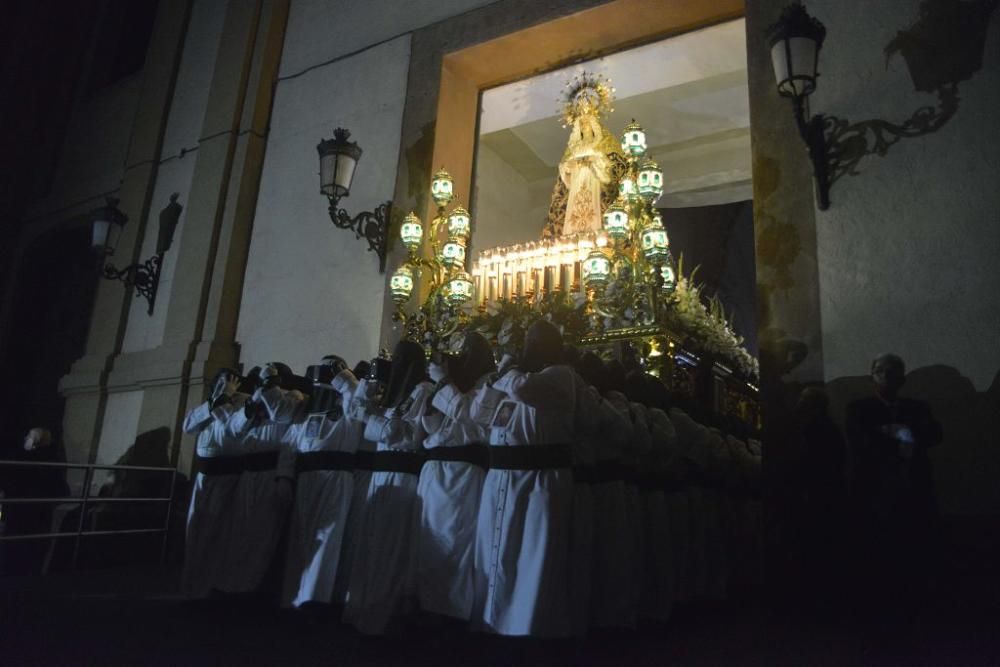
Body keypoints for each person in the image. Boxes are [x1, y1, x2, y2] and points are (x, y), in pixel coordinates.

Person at [472, 319, 596, 637]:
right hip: (501, 480)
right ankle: (493, 622)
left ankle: (531, 629)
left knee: (531, 559)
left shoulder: (561, 376)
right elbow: (479, 415)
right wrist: (497, 376)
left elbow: (523, 388)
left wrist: (506, 371)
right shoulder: (511, 379)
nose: (528, 345)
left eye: (534, 340)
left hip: (538, 482)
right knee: (495, 553)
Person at [344, 340, 432, 634]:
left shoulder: (421, 391)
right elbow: (357, 414)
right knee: (371, 541)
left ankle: (383, 616)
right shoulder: (392, 395)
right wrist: (369, 383)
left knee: (390, 547)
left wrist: (374, 419)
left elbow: (406, 435)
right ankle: (362, 608)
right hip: (380, 476)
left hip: (401, 477)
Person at [846, 353, 942, 609]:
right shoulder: (859, 409)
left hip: (913, 494)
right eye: (881, 370)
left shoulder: (917, 408)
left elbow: (934, 434)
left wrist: (897, 432)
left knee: (912, 556)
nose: (886, 376)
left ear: (903, 378)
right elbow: (863, 442)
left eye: (893, 371)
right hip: (874, 497)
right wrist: (903, 434)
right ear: (872, 376)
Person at [416, 332, 495, 622]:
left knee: (458, 542)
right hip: (436, 471)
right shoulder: (457, 384)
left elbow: (472, 419)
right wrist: (431, 400)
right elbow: (436, 427)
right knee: (429, 541)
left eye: (465, 350)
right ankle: (427, 607)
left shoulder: (489, 383)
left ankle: (454, 613)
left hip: (463, 474)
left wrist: (444, 385)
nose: (459, 356)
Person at [281, 356, 363, 609]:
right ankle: (293, 597)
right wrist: (283, 476)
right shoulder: (306, 409)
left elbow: (356, 398)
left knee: (328, 537)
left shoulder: (348, 406)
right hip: (307, 476)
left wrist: (344, 376)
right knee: (301, 534)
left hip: (336, 475)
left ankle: (315, 600)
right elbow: (289, 445)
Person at [221, 362, 304, 594]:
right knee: (240, 531)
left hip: (271, 472)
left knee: (264, 535)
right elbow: (234, 429)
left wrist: (284, 477)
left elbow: (284, 421)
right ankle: (234, 586)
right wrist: (252, 403)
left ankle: (254, 589)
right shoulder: (254, 400)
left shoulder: (293, 397)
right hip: (248, 474)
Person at [181, 369, 248, 598]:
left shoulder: (242, 403)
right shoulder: (209, 404)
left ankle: (213, 588)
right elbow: (188, 425)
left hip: (227, 475)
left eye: (228, 382)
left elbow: (233, 430)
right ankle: (192, 586)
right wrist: (215, 400)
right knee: (196, 528)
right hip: (204, 477)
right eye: (220, 382)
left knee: (219, 533)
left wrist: (226, 399)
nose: (224, 385)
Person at [1, 427, 67, 574]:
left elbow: (8, 483)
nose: (26, 439)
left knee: (11, 560)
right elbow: (63, 490)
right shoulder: (54, 462)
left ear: (36, 442)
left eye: (29, 436)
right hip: (41, 521)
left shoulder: (24, 461)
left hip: (19, 518)